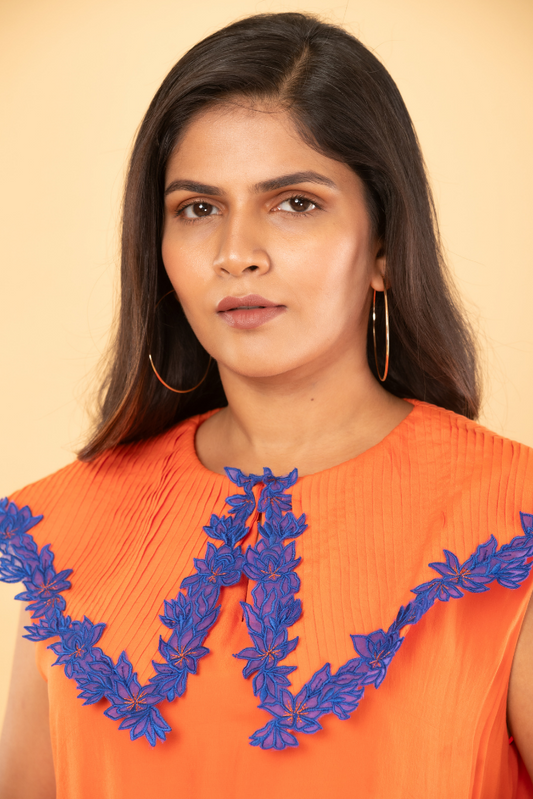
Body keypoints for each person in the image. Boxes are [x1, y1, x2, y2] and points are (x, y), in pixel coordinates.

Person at [0, 11, 532, 798]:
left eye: (294, 203)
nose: (236, 253)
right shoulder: (72, 530)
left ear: (383, 246)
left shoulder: (508, 520)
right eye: (198, 208)